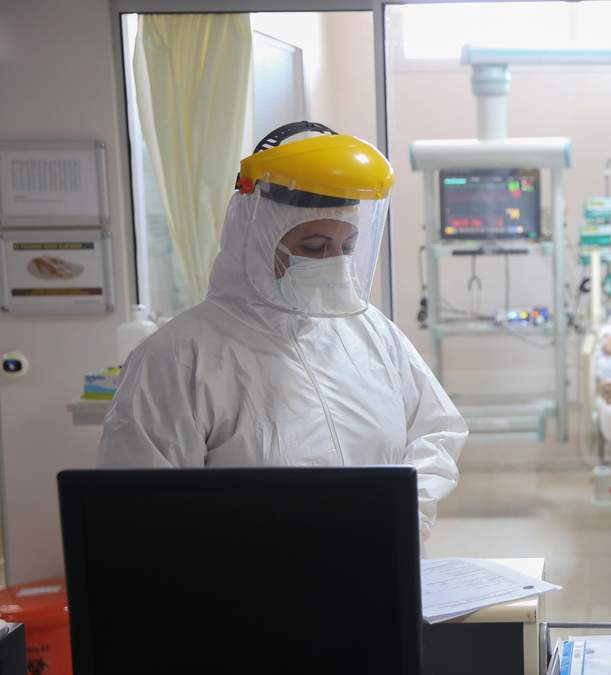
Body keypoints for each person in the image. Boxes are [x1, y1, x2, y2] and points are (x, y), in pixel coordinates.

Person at [98, 122, 467, 542]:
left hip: (380, 562)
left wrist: (402, 512)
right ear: (257, 239)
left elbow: (437, 429)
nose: (334, 263)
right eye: (314, 247)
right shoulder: (181, 356)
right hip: (248, 578)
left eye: (347, 247)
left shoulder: (371, 333)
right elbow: (139, 507)